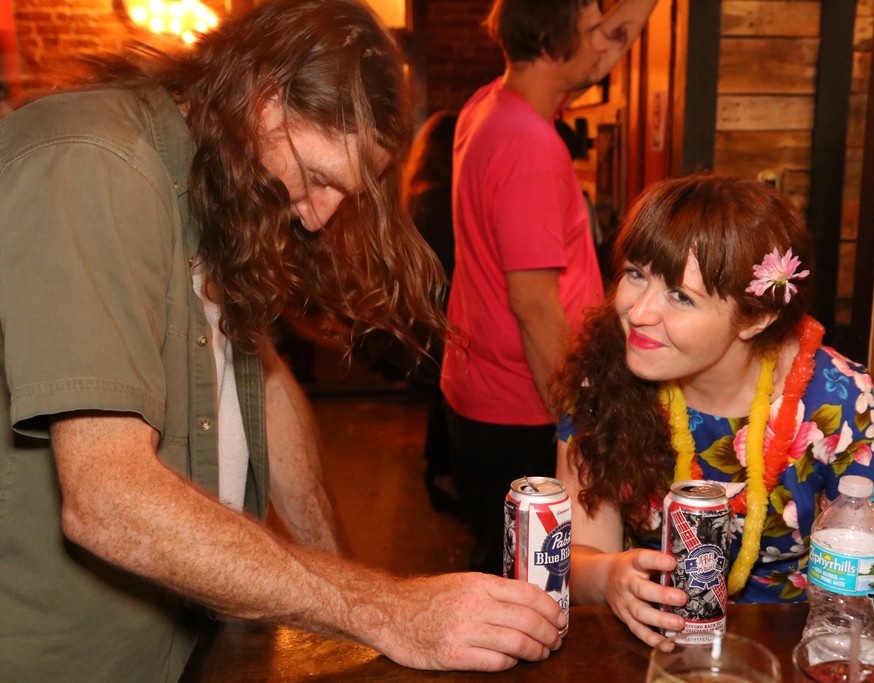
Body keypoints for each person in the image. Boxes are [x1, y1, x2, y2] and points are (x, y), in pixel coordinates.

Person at [0, 2, 566, 681]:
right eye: (320, 177)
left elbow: (261, 387)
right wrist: (382, 609)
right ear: (263, 95)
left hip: (190, 635)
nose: (321, 215)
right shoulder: (95, 161)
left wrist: (355, 597)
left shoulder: (218, 182)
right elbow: (108, 499)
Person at [551, 174, 874, 645]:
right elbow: (578, 554)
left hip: (799, 646)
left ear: (757, 317)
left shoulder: (840, 401)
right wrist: (609, 577)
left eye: (681, 296)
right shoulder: (601, 381)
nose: (638, 313)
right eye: (636, 274)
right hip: (654, 644)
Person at [441, 0, 660, 577]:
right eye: (589, 29)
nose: (603, 43)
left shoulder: (490, 105)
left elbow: (601, 55)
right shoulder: (529, 143)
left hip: (486, 391)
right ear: (550, 44)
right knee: (531, 580)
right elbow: (534, 305)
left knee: (504, 563)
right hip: (523, 406)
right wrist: (580, 426)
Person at [402, 110, 460, 513]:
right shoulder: (441, 202)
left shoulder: (419, 195)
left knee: (442, 396)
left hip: (425, 314)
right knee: (447, 396)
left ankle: (437, 472)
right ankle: (441, 476)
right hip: (444, 314)